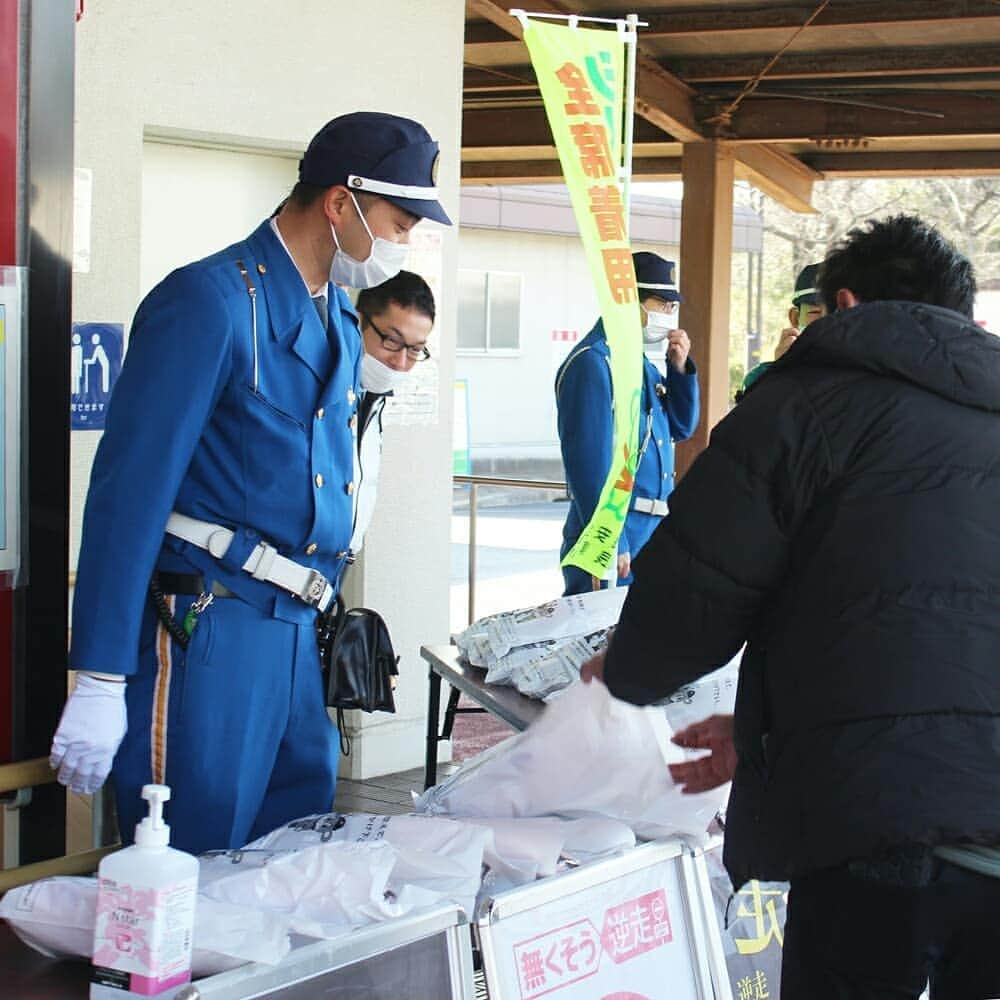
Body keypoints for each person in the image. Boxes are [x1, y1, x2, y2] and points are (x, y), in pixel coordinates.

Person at [585, 215, 1000, 998]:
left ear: (841, 304)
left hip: (874, 824)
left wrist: (626, 673)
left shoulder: (807, 404)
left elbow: (698, 583)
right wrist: (761, 731)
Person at [49, 112, 452, 855]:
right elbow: (127, 493)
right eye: (399, 223)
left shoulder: (334, 313)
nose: (405, 243)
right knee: (188, 865)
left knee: (281, 867)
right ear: (340, 204)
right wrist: (100, 672)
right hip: (211, 628)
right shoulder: (210, 301)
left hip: (296, 635)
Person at [555, 251, 699, 595]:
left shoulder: (639, 364)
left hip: (650, 533)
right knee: (598, 642)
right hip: (611, 534)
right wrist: (611, 537)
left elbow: (679, 428)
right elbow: (589, 464)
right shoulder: (593, 363)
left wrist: (678, 371)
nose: (668, 315)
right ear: (628, 301)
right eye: (661, 304)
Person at [350, 270, 435, 557]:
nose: (400, 362)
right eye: (391, 341)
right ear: (358, 321)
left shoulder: (375, 400)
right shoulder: (321, 392)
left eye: (415, 350)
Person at [737, 262, 823, 399]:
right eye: (815, 311)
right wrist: (780, 370)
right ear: (795, 318)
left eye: (838, 312)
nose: (826, 320)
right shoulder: (761, 377)